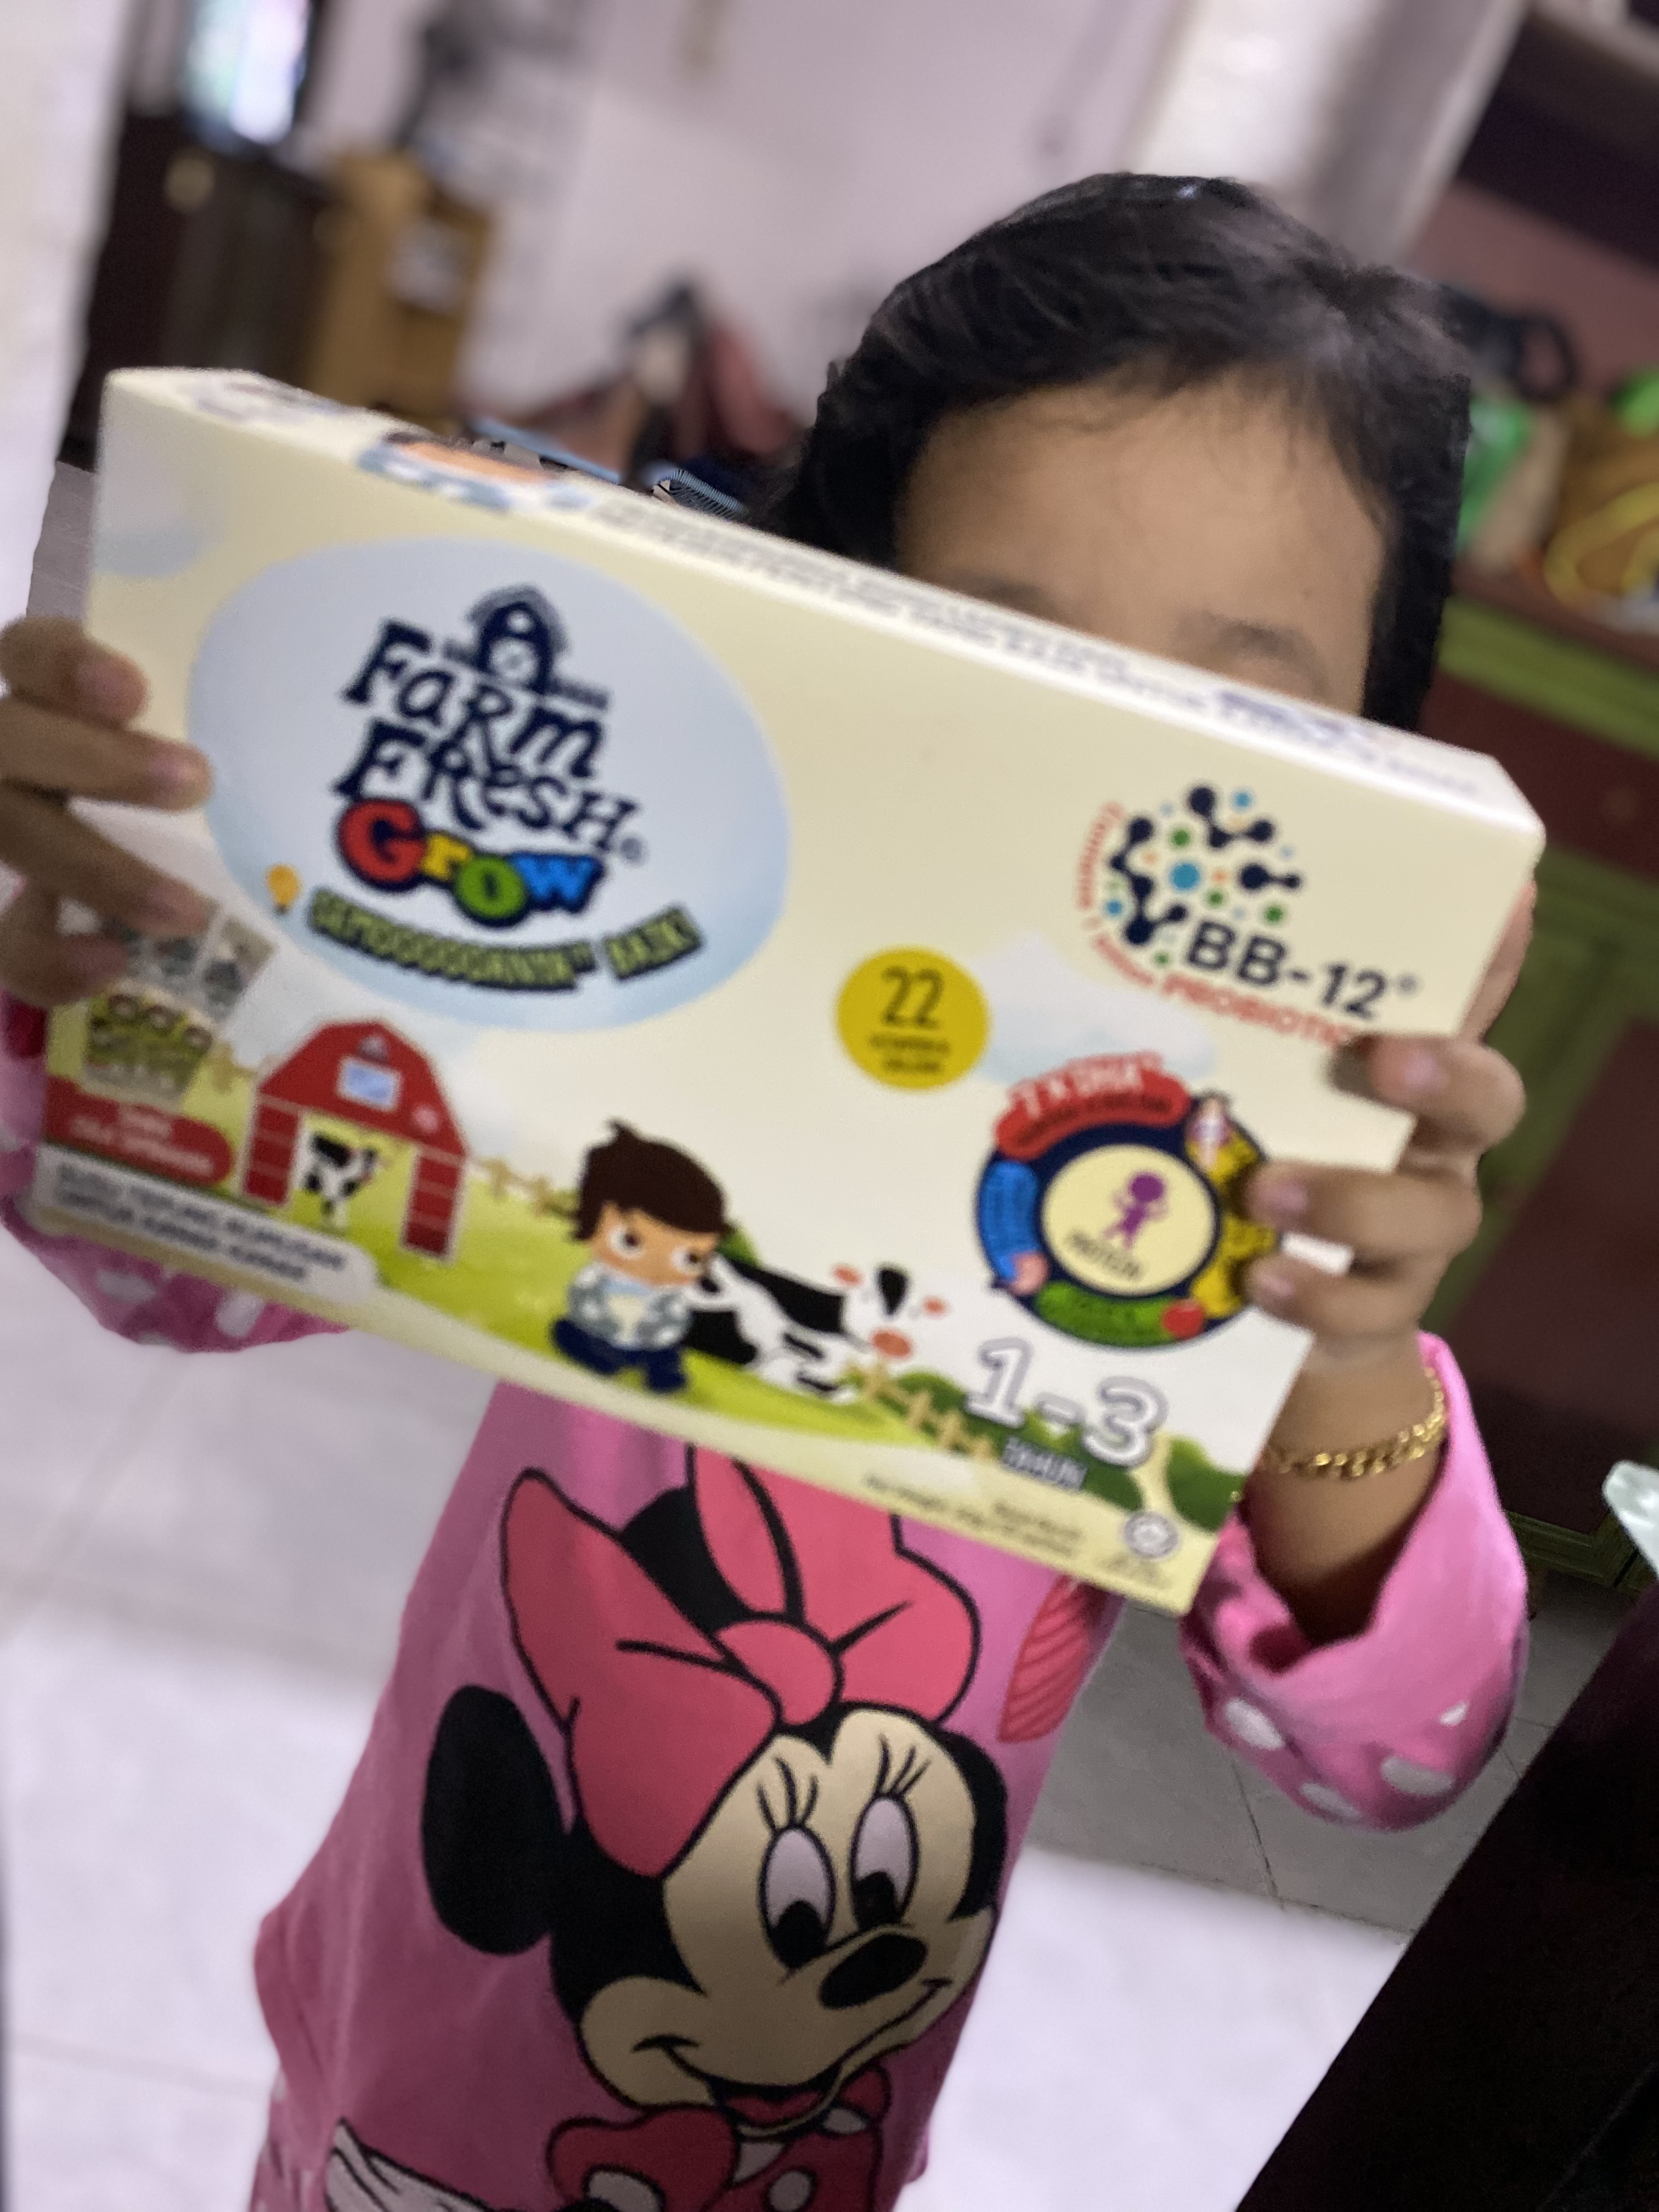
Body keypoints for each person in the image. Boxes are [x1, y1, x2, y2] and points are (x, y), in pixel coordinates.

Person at [0, 175, 1533, 2212]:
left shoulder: (1218, 1242)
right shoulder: (653, 1030)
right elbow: (170, 1276)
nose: (1100, 793)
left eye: (1239, 722)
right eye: (999, 661)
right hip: (376, 2104)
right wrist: (108, 967)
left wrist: (1344, 1358)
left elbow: (1398, 1752)